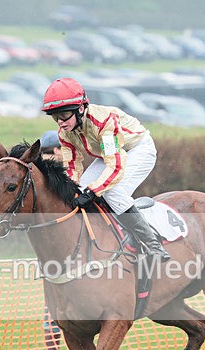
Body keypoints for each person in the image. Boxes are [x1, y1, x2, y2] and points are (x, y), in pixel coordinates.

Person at [40, 77, 170, 262]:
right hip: (108, 154)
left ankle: (153, 245)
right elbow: (71, 168)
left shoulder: (103, 121)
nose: (60, 122)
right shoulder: (65, 133)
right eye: (55, 117)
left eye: (64, 115)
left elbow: (115, 167)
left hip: (137, 149)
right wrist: (70, 190)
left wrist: (94, 191)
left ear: (80, 109)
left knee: (113, 192)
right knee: (81, 189)